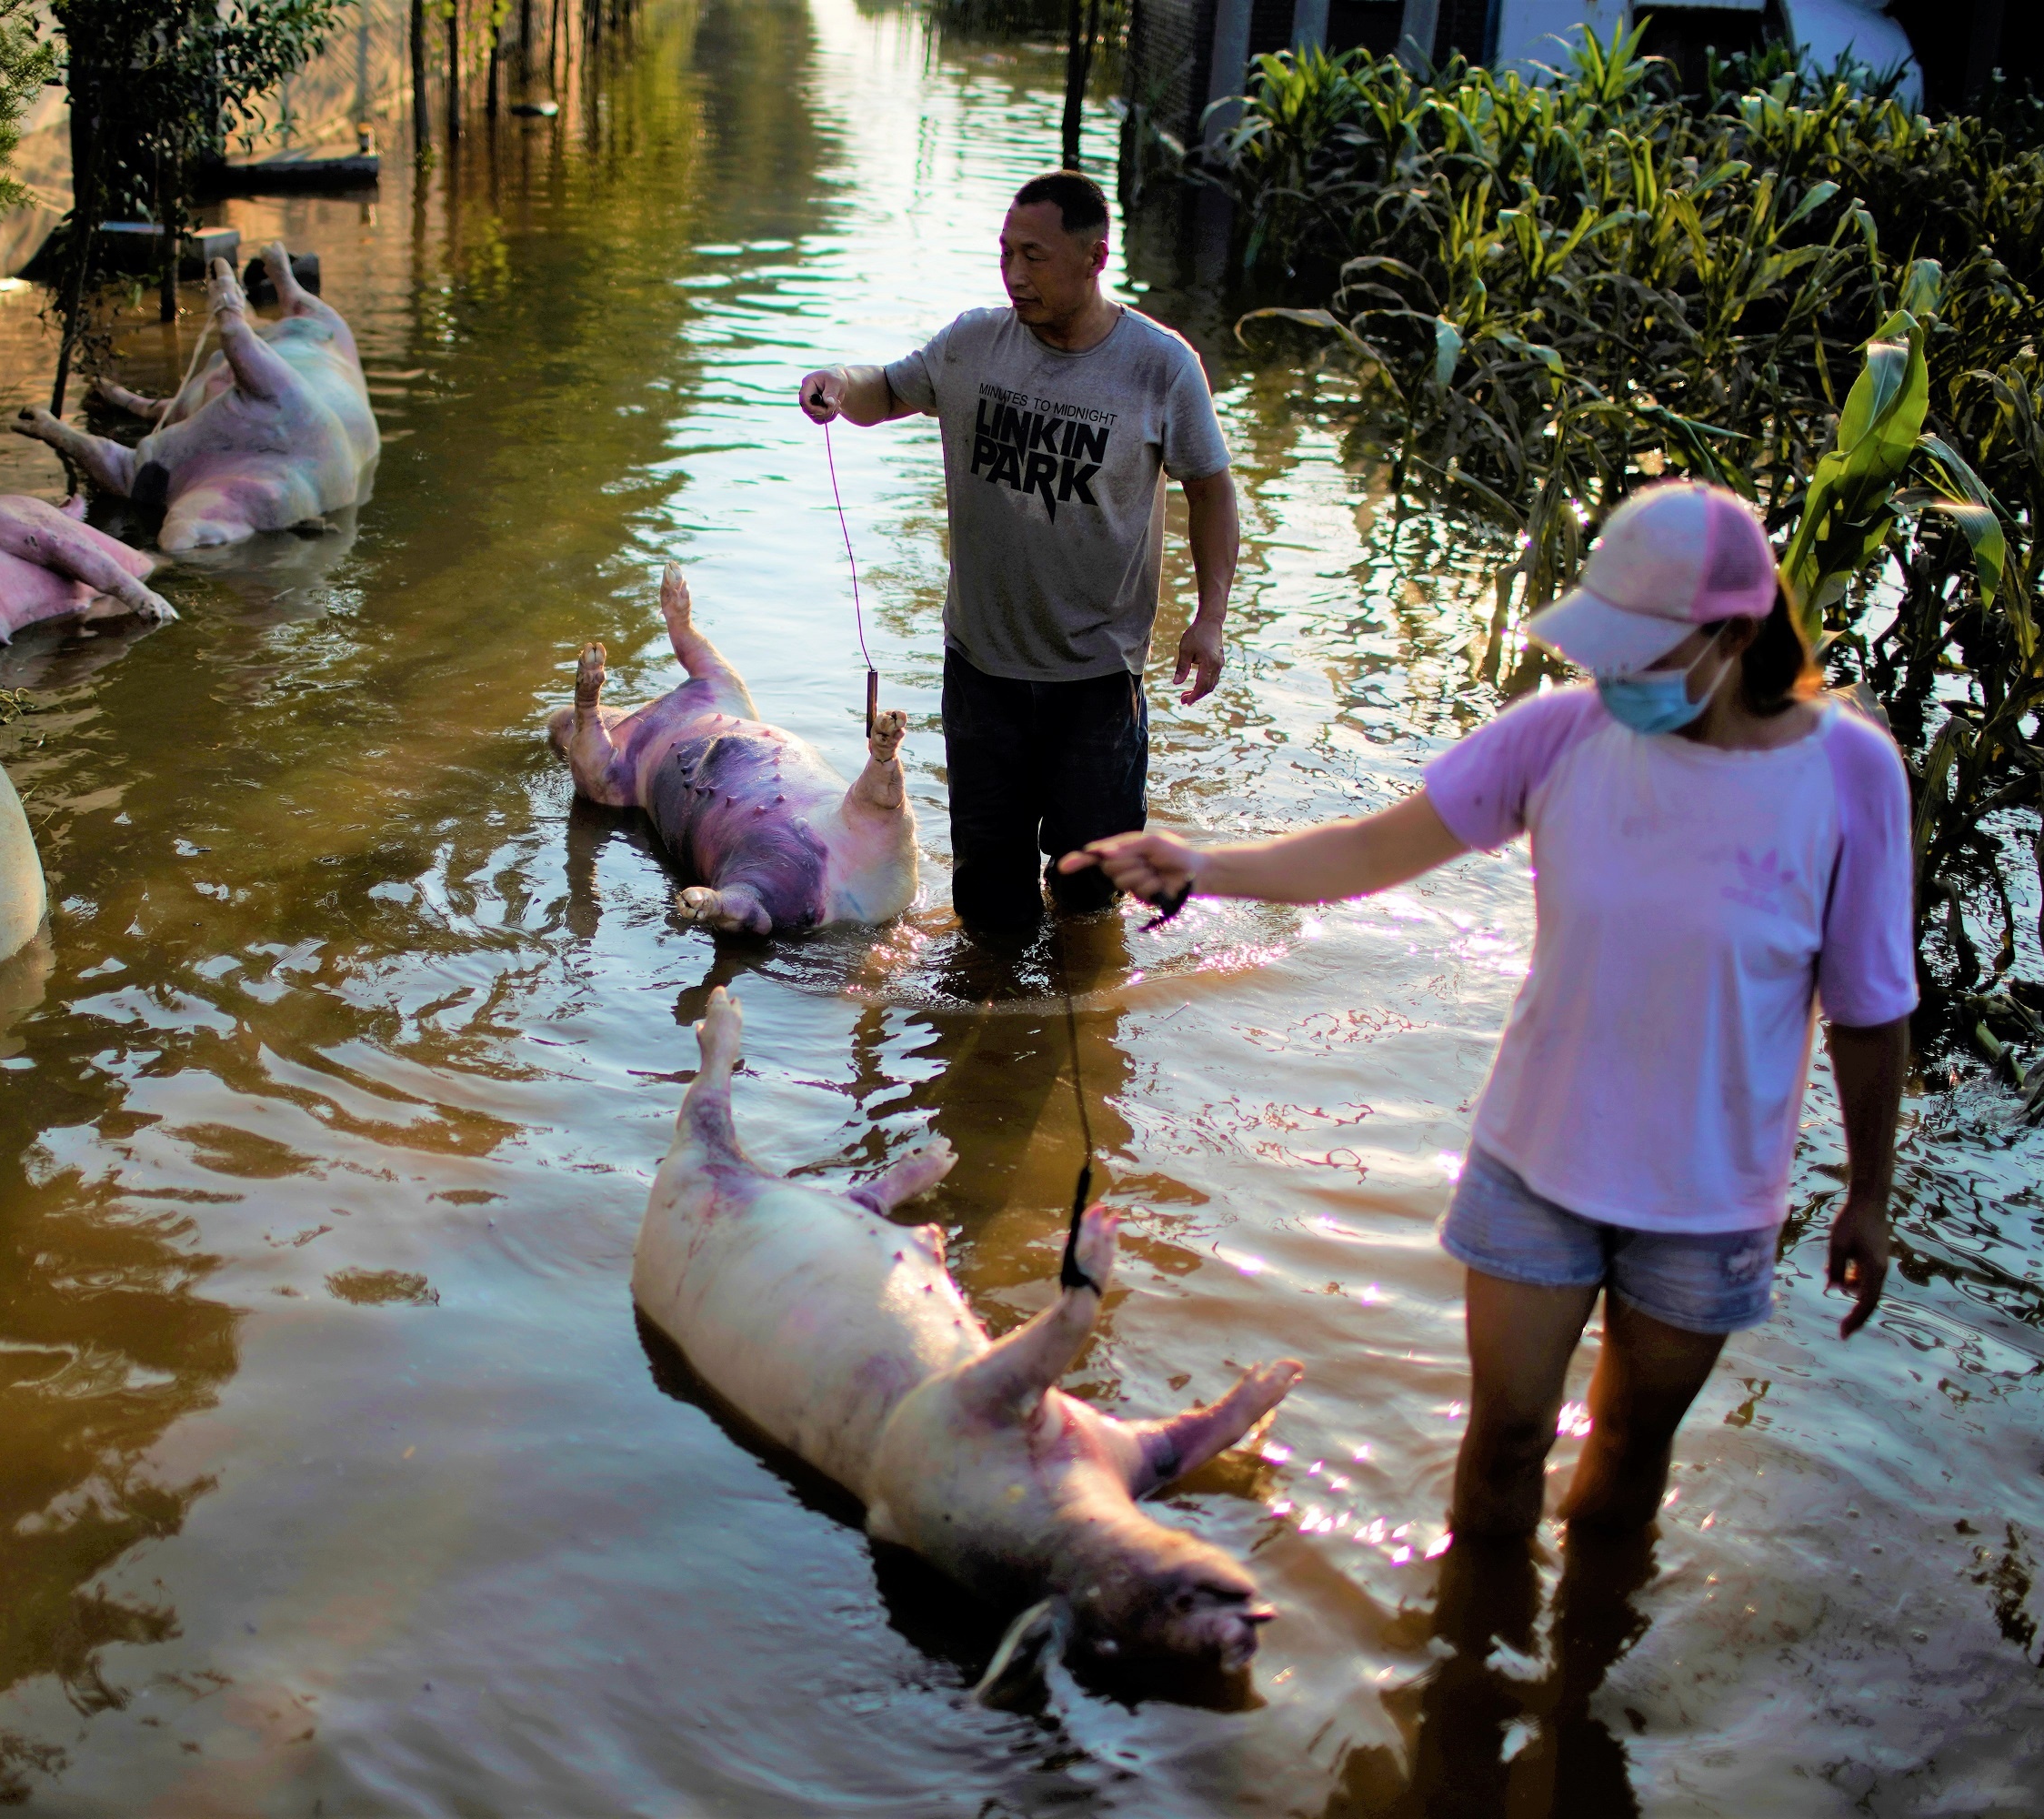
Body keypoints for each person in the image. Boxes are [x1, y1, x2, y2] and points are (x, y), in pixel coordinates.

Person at [1063, 480, 1914, 1539]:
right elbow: (1376, 848)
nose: (1610, 677)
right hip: (1537, 1162)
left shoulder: (1848, 772)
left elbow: (1872, 1010)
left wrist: (1868, 1195)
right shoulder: (1561, 735)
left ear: (1734, 632)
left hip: (1710, 1198)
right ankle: (1474, 1665)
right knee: (1506, 1439)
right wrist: (1205, 865)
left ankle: (1577, 1684)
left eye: (1638, 652)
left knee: (1630, 1453)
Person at [798, 169, 1240, 930]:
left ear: (1096, 257)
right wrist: (838, 383)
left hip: (1097, 679)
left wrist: (1211, 616)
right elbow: (889, 389)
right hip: (983, 672)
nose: (1014, 275)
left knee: (1090, 893)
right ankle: (991, 1028)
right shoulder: (974, 343)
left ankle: (1082, 1028)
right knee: (990, 895)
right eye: (1005, 253)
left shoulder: (1160, 367)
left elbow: (1210, 489)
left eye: (1034, 256)